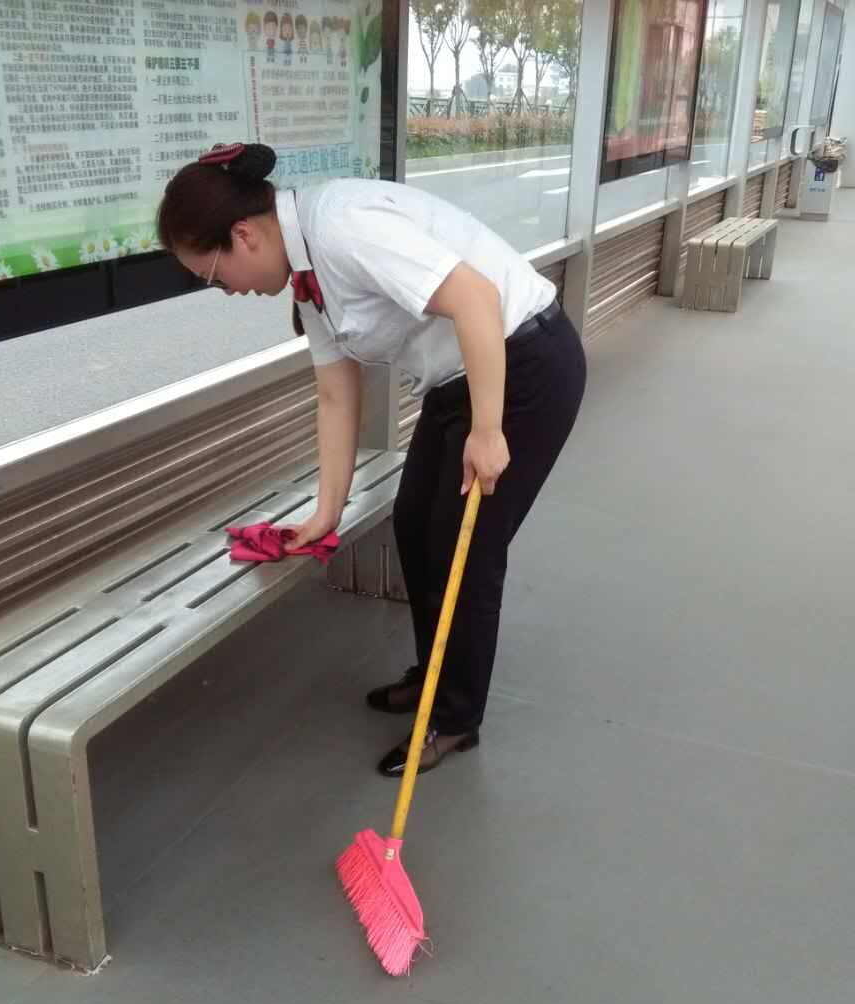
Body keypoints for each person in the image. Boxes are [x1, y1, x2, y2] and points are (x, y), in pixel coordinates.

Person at [155, 143, 586, 777]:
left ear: (243, 235)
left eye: (214, 276)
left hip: (521, 369)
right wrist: (326, 513)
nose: (226, 291)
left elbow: (476, 298)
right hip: (457, 383)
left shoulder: (342, 228)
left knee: (462, 553)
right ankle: (434, 676)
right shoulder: (307, 277)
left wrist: (489, 430)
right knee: (413, 528)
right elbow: (336, 392)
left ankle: (454, 717)